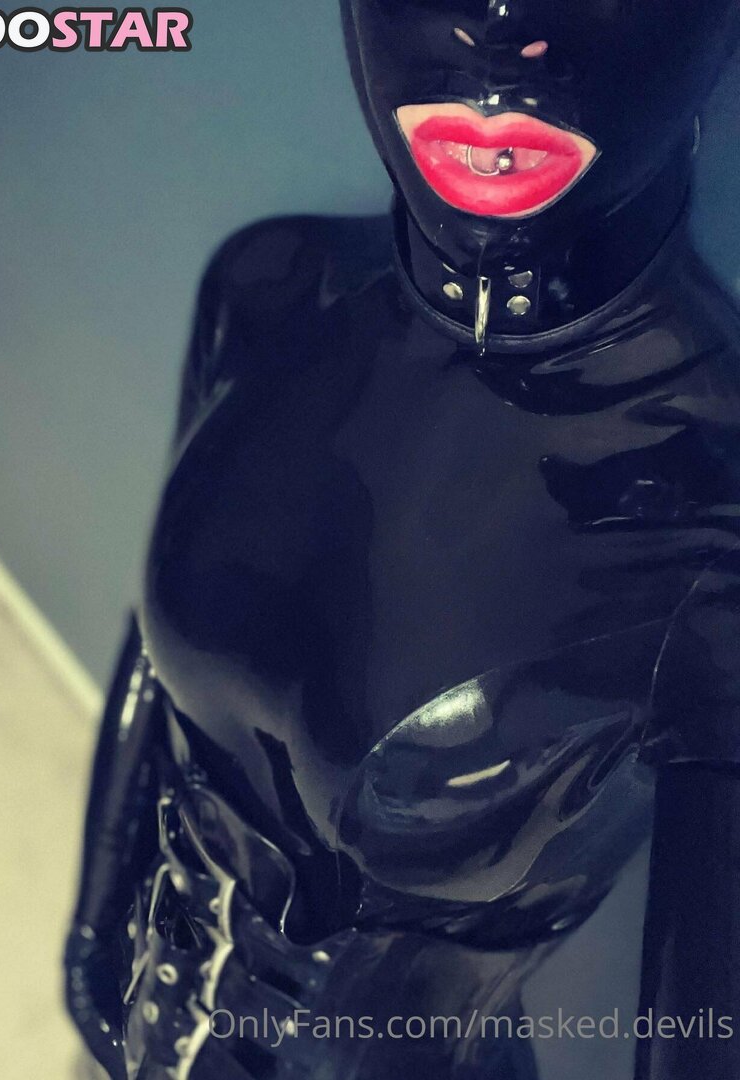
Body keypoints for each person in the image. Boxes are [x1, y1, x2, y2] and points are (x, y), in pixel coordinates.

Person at [64, 2, 740, 1077]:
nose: (500, 25)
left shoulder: (717, 509)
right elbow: (150, 654)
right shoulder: (271, 289)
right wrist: (93, 936)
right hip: (150, 1030)